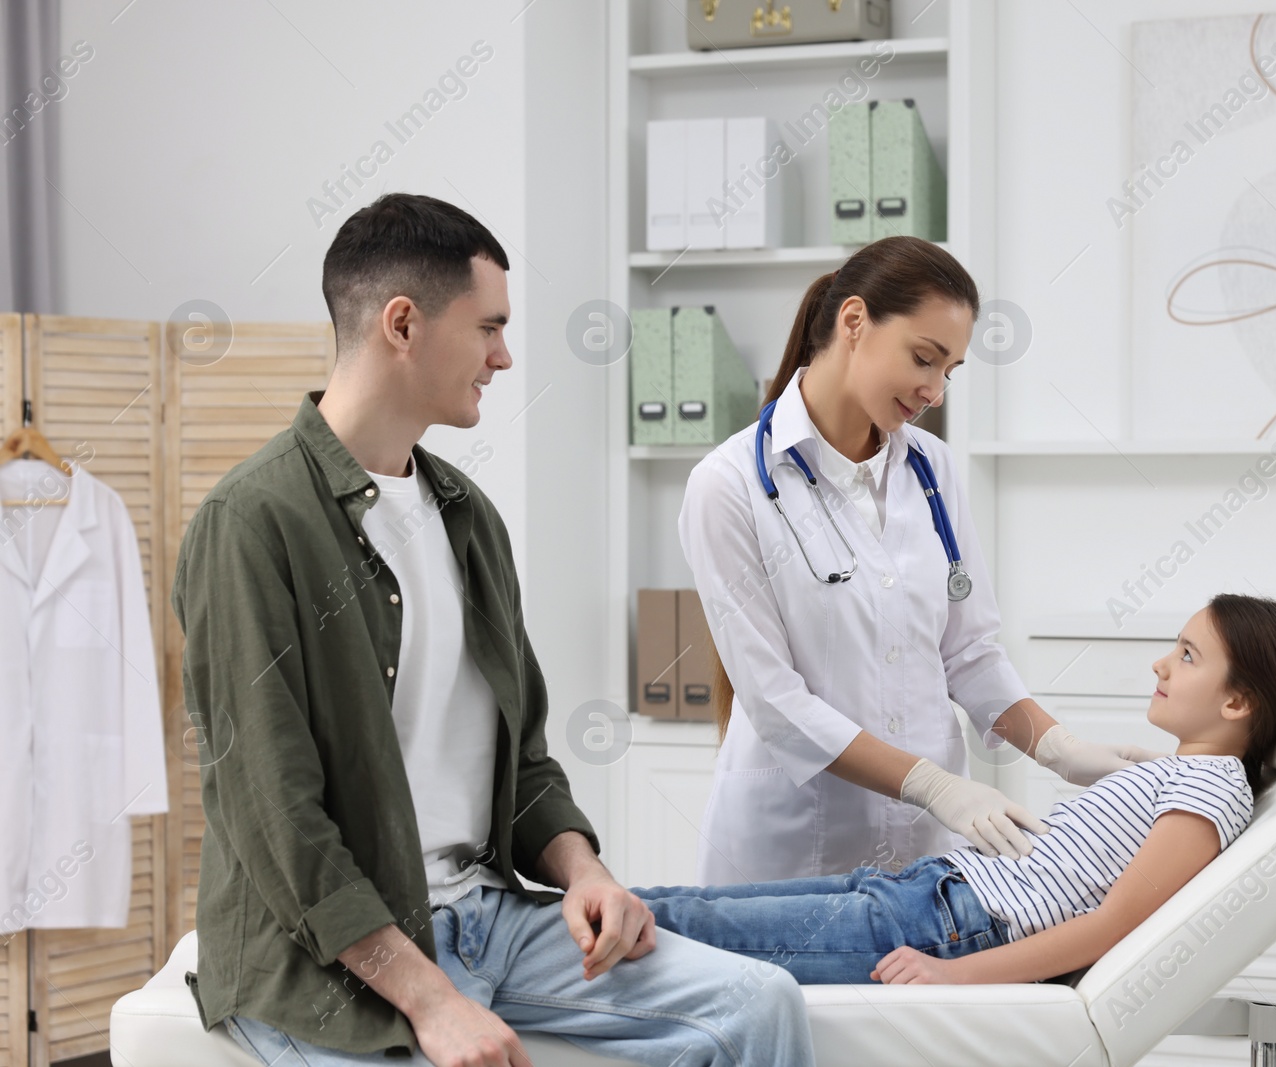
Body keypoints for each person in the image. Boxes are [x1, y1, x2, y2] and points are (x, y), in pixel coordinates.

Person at [171, 193, 812, 1067]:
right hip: (328, 961)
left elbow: (527, 760)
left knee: (759, 1002)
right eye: (488, 327)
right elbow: (276, 818)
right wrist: (432, 999)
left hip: (487, 918)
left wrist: (585, 871)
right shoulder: (251, 522)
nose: (503, 357)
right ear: (403, 323)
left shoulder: (467, 516)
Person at [680, 236, 1164, 884]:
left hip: (922, 853)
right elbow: (776, 703)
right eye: (924, 358)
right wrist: (933, 784)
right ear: (854, 321)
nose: (935, 390)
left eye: (950, 371)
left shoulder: (931, 469)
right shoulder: (730, 483)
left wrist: (1063, 749)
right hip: (793, 856)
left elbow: (970, 653)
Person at [633, 595, 1276, 986]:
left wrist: (953, 976)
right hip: (925, 890)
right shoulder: (1186, 774)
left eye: (1186, 654)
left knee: (695, 934)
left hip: (949, 925)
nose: (1161, 661)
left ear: (1239, 700)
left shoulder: (1210, 792)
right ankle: (536, 919)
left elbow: (1111, 924)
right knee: (687, 913)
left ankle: (530, 936)